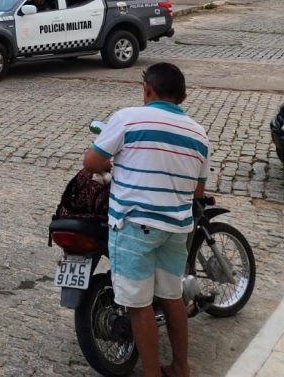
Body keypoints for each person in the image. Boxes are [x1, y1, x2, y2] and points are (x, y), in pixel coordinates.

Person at [83, 63, 210, 377]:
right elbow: (197, 190)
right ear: (183, 97)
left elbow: (92, 162)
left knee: (139, 306)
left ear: (147, 89)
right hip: (176, 229)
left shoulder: (128, 118)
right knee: (172, 298)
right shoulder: (199, 133)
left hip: (134, 227)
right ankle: (181, 368)